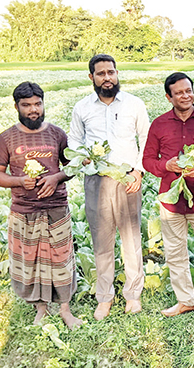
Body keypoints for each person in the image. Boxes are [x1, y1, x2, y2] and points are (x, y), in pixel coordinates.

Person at [0, 82, 82, 329]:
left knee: (61, 258)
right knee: (30, 260)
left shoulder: (57, 134)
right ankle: (41, 308)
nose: (34, 110)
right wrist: (20, 181)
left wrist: (57, 178)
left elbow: (72, 166)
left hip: (56, 207)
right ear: (17, 106)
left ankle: (65, 309)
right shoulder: (7, 138)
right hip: (24, 209)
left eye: (38, 104)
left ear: (43, 103)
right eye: (27, 105)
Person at [69, 54, 149, 320]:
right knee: (101, 241)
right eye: (101, 73)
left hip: (128, 179)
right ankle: (104, 297)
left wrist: (138, 170)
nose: (107, 78)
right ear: (91, 77)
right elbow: (73, 141)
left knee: (131, 239)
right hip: (97, 180)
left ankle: (133, 295)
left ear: (117, 74)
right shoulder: (82, 107)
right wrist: (83, 157)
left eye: (111, 72)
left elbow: (146, 138)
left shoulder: (134, 104)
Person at [143, 72, 194, 326]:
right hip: (171, 200)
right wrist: (166, 166)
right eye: (179, 92)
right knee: (175, 252)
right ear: (169, 97)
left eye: (188, 90)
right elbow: (147, 160)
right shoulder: (158, 124)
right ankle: (185, 300)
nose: (185, 95)